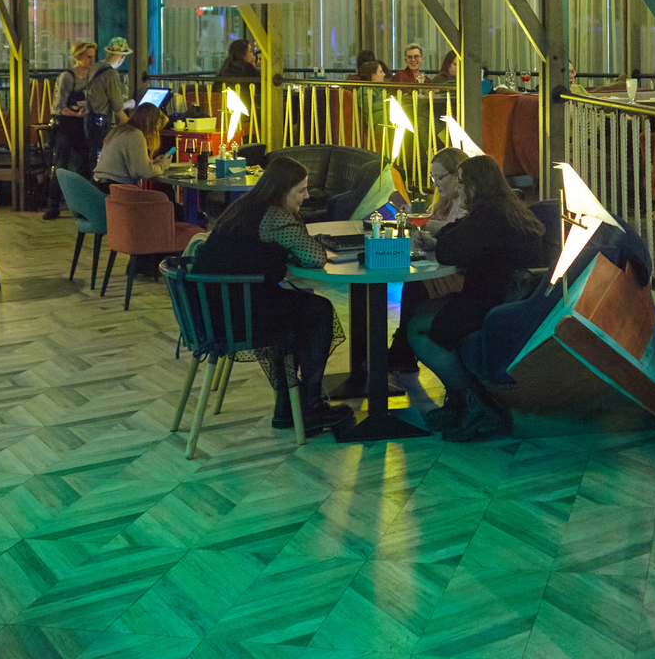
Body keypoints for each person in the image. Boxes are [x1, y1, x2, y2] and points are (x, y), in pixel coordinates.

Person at [189, 157, 352, 431]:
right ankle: (310, 408)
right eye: (300, 190)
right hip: (236, 315)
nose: (306, 197)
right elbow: (314, 257)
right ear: (281, 191)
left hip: (211, 309)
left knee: (295, 308)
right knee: (318, 310)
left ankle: (287, 406)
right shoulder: (274, 216)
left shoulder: (245, 206)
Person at [405, 155, 549, 441]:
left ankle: (477, 404)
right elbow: (456, 234)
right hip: (513, 301)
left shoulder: (487, 216)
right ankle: (461, 403)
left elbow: (450, 251)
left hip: (493, 305)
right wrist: (444, 235)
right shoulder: (505, 208)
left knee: (417, 328)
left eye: (461, 183)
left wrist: (438, 240)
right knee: (423, 309)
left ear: (474, 185)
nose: (458, 190)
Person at [387, 147, 471, 411]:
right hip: (445, 269)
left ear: (458, 175)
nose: (436, 184)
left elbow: (457, 232)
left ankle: (398, 357)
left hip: (459, 277)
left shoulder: (466, 203)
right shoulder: (445, 200)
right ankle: (399, 356)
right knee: (414, 284)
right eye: (433, 178)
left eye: (440, 177)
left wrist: (424, 226)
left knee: (415, 286)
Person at [45, 40, 103, 219]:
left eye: (93, 57)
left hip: (84, 125)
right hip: (67, 126)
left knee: (85, 166)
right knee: (61, 165)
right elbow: (58, 107)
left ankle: (83, 206)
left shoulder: (92, 75)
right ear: (78, 57)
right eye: (88, 57)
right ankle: (53, 205)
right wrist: (76, 112)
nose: (92, 61)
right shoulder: (68, 77)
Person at [94, 103, 171, 189]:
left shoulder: (119, 130)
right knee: (161, 196)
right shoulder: (135, 134)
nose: (155, 133)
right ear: (151, 124)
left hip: (101, 183)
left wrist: (152, 163)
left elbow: (133, 165)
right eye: (156, 128)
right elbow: (145, 172)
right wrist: (162, 165)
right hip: (114, 187)